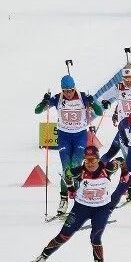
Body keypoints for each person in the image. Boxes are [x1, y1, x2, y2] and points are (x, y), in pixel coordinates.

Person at [24, 144, 128, 262]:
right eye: (87, 160)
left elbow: (121, 160)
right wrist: (71, 189)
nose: (89, 163)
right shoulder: (79, 172)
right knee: (64, 235)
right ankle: (42, 258)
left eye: (92, 160)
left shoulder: (108, 168)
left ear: (98, 159)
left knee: (95, 238)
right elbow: (67, 174)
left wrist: (124, 173)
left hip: (101, 209)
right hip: (81, 208)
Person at [34, 75, 104, 217]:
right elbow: (37, 110)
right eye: (65, 91)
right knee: (66, 169)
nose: (68, 93)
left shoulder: (83, 97)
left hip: (79, 137)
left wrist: (93, 102)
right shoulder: (58, 98)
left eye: (70, 90)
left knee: (75, 166)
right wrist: (44, 101)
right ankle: (64, 199)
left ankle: (79, 198)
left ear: (74, 88)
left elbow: (99, 112)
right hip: (64, 137)